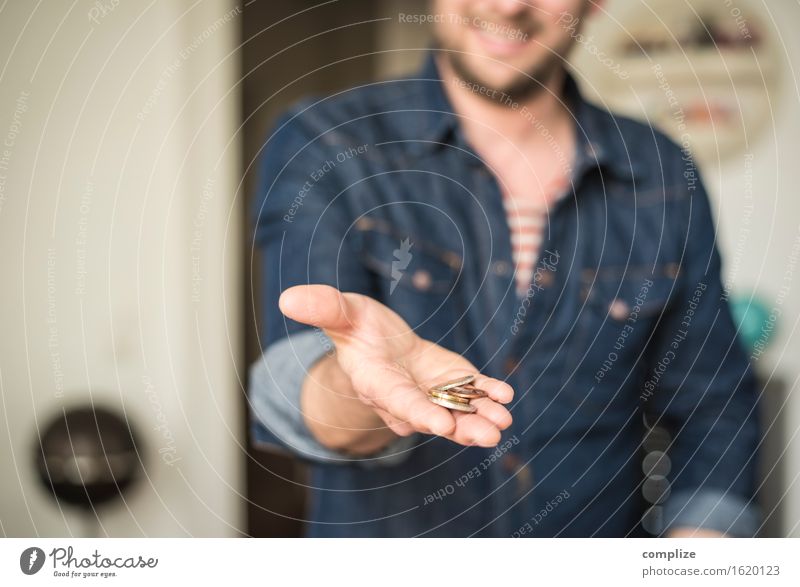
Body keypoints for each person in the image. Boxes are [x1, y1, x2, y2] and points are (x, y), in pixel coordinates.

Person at [248, 0, 760, 537]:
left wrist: (695, 553)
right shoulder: (327, 141)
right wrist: (363, 388)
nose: (510, 4)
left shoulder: (664, 174)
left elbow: (715, 405)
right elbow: (297, 387)